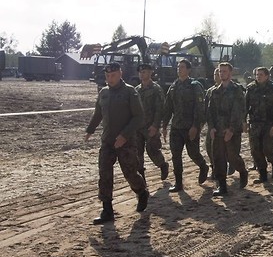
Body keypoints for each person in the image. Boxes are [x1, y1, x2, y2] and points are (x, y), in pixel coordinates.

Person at [84, 62, 149, 224]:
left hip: (126, 142)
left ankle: (141, 192)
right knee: (104, 173)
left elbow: (139, 117)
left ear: (120, 74)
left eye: (113, 75)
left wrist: (124, 135)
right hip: (108, 141)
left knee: (130, 173)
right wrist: (90, 130)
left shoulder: (130, 92)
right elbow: (98, 113)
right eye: (107, 76)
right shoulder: (104, 93)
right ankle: (107, 210)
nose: (109, 78)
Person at [162, 59, 209, 193]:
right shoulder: (173, 86)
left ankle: (203, 166)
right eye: (178, 67)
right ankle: (178, 183)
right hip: (176, 127)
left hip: (190, 126)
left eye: (182, 67)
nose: (179, 69)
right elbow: (168, 107)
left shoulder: (195, 86)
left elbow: (199, 108)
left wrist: (196, 126)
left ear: (188, 70)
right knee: (175, 155)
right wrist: (164, 126)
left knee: (193, 153)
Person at [206, 62, 248, 196]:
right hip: (218, 130)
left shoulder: (236, 90)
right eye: (220, 71)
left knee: (232, 157)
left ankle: (242, 171)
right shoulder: (214, 91)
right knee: (218, 158)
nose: (222, 74)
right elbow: (210, 111)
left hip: (232, 131)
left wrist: (231, 129)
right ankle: (222, 186)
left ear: (230, 73)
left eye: (224, 71)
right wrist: (211, 127)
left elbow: (238, 111)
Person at [245, 67, 273, 183]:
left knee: (268, 148)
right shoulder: (251, 88)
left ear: (267, 76)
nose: (258, 76)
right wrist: (243, 121)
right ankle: (263, 174)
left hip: (268, 123)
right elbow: (245, 106)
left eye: (261, 74)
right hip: (254, 123)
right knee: (255, 150)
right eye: (257, 74)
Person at [135, 63, 169, 182]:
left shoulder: (156, 89)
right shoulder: (136, 90)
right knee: (137, 153)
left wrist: (155, 125)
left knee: (152, 150)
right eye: (140, 72)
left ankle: (162, 165)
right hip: (138, 127)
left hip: (150, 126)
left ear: (150, 73)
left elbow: (160, 109)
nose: (141, 74)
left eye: (144, 72)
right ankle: (141, 178)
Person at [205, 67, 223, 179]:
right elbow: (206, 109)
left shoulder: (230, 89)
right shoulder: (210, 91)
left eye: (217, 74)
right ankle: (214, 168)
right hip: (213, 124)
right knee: (209, 147)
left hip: (224, 124)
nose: (216, 76)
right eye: (214, 74)